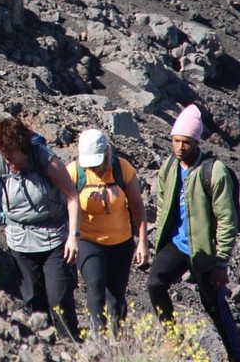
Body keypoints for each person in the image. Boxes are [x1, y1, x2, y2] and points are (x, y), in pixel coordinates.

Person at [147, 105, 240, 361]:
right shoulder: (169, 167)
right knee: (155, 284)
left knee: (214, 305)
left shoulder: (214, 171)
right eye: (176, 141)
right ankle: (175, 342)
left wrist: (221, 262)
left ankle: (236, 356)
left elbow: (227, 219)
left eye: (186, 142)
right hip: (177, 244)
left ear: (197, 142)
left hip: (204, 251)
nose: (180, 147)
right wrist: (159, 240)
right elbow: (162, 203)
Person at [0, 116, 81, 341]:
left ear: (23, 147)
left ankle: (71, 344)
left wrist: (73, 236)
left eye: (11, 155)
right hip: (19, 241)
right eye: (3, 155)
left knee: (59, 299)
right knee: (32, 301)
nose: (8, 161)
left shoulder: (47, 161)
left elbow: (72, 197)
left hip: (54, 240)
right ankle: (43, 346)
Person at [66, 128, 149, 336]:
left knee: (116, 296)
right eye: (89, 164)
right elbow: (64, 206)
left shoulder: (123, 169)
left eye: (97, 163)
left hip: (121, 242)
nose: (93, 168)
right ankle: (98, 340)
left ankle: (117, 339)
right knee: (95, 286)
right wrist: (70, 237)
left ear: (106, 153)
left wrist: (142, 241)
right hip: (88, 240)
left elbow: (137, 207)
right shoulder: (74, 172)